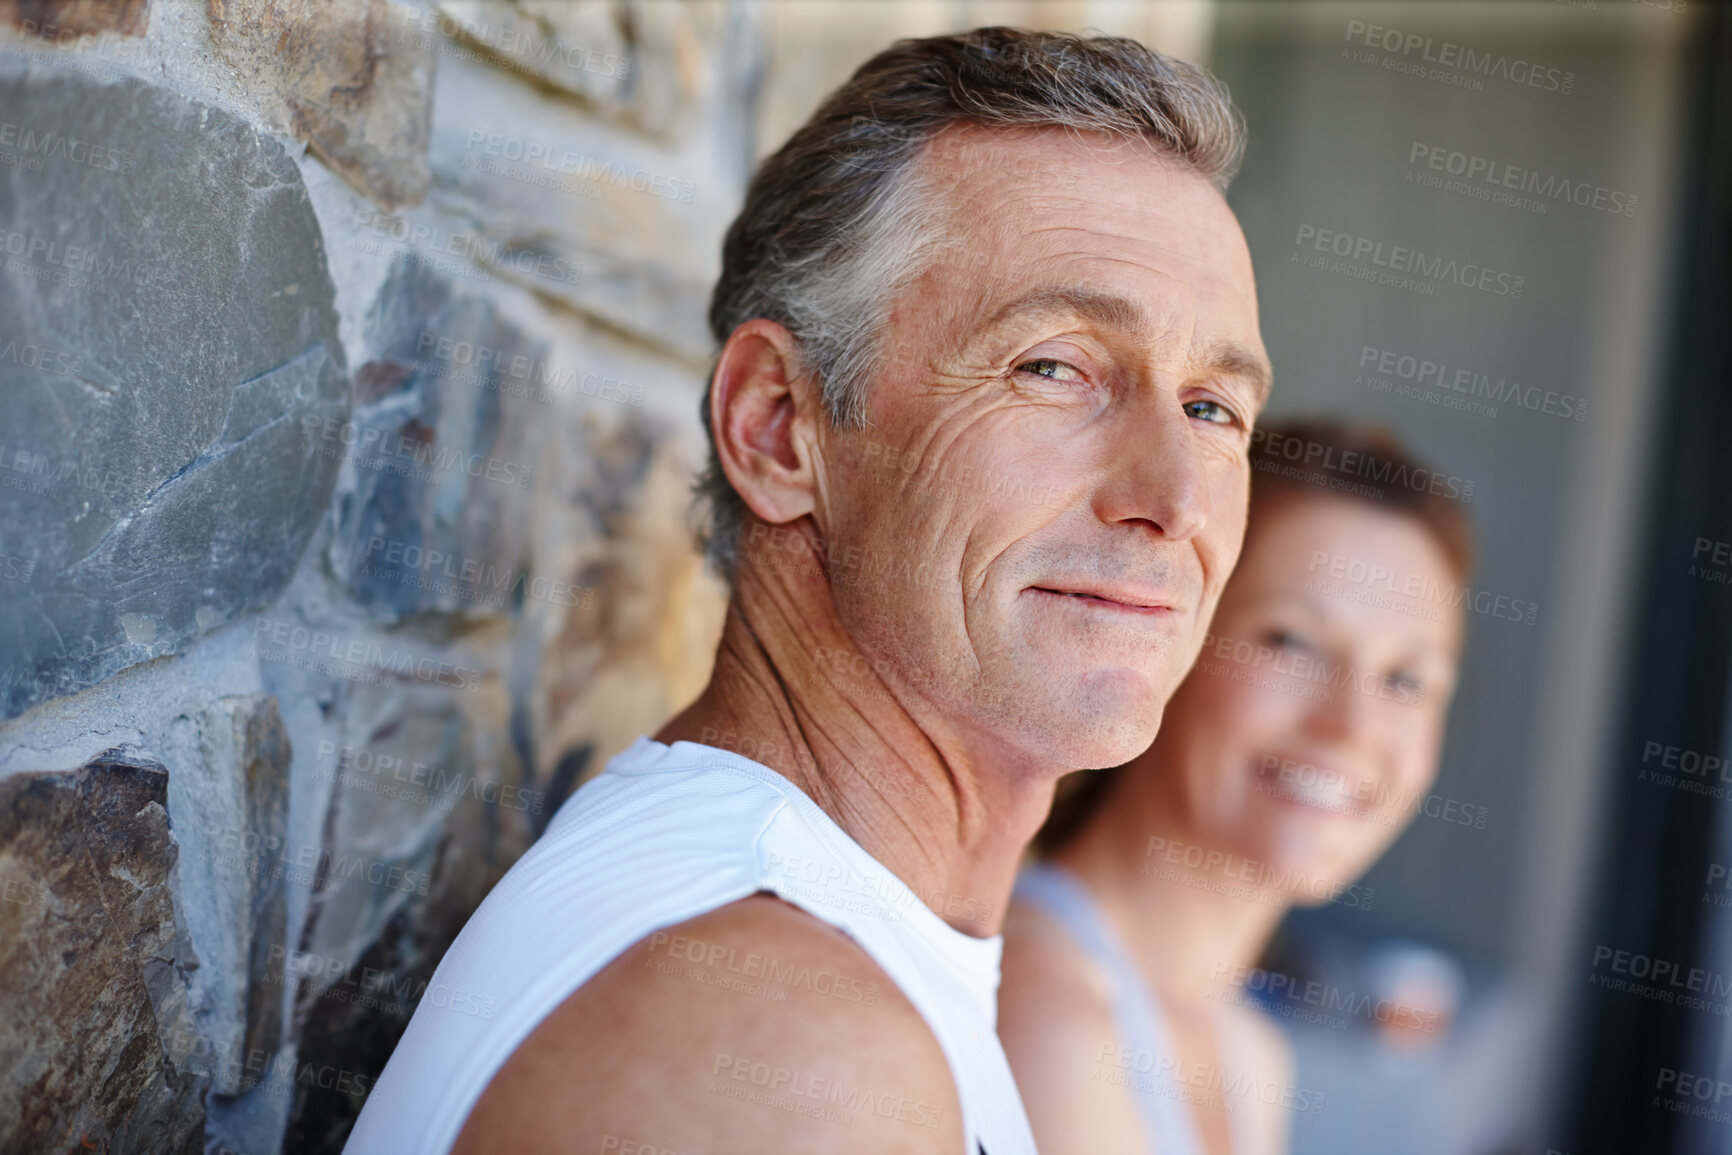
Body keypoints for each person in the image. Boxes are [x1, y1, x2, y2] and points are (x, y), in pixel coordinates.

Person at [347, 26, 1272, 1155]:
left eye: (1213, 408)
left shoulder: (847, 958)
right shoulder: (784, 1055)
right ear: (777, 429)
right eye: (1054, 367)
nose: (1174, 498)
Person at [998, 420, 1474, 1155]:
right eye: (1291, 640)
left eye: (1406, 679)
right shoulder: (1048, 1010)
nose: (1352, 727)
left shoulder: (1248, 1049)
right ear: (1163, 640)